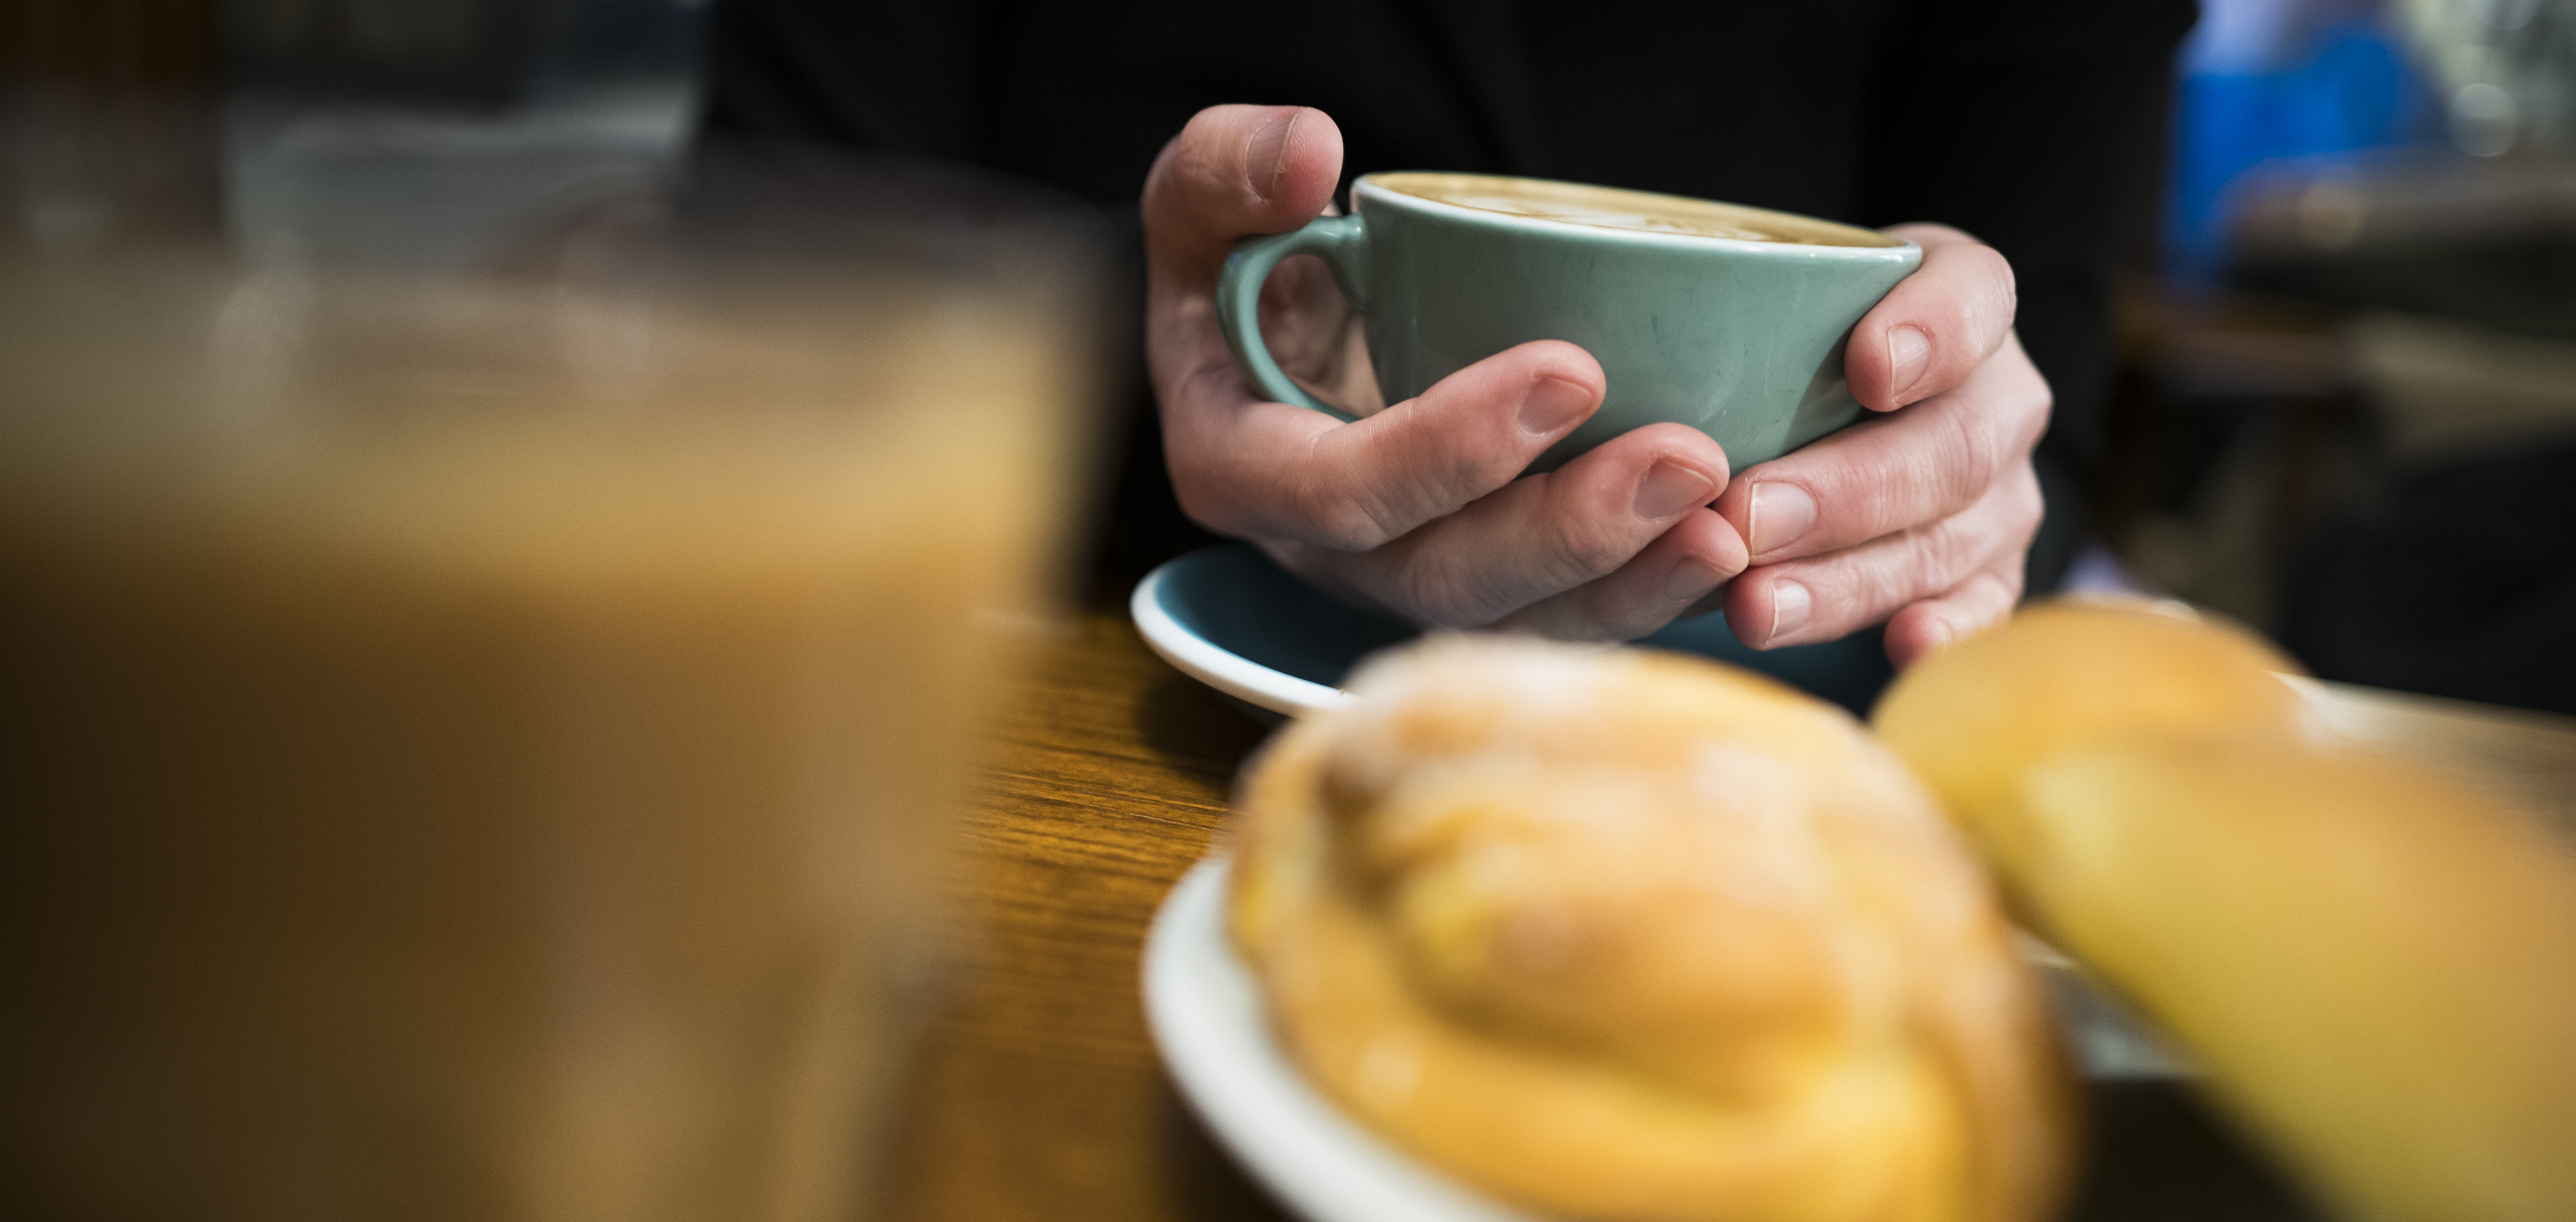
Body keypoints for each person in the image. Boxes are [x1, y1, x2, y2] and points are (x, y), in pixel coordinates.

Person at [709, 1, 2195, 666]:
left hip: (1724, 727)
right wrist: (1136, 353)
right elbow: (752, 283)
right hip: (1060, 672)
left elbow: (2043, 354)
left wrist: (1965, 447)